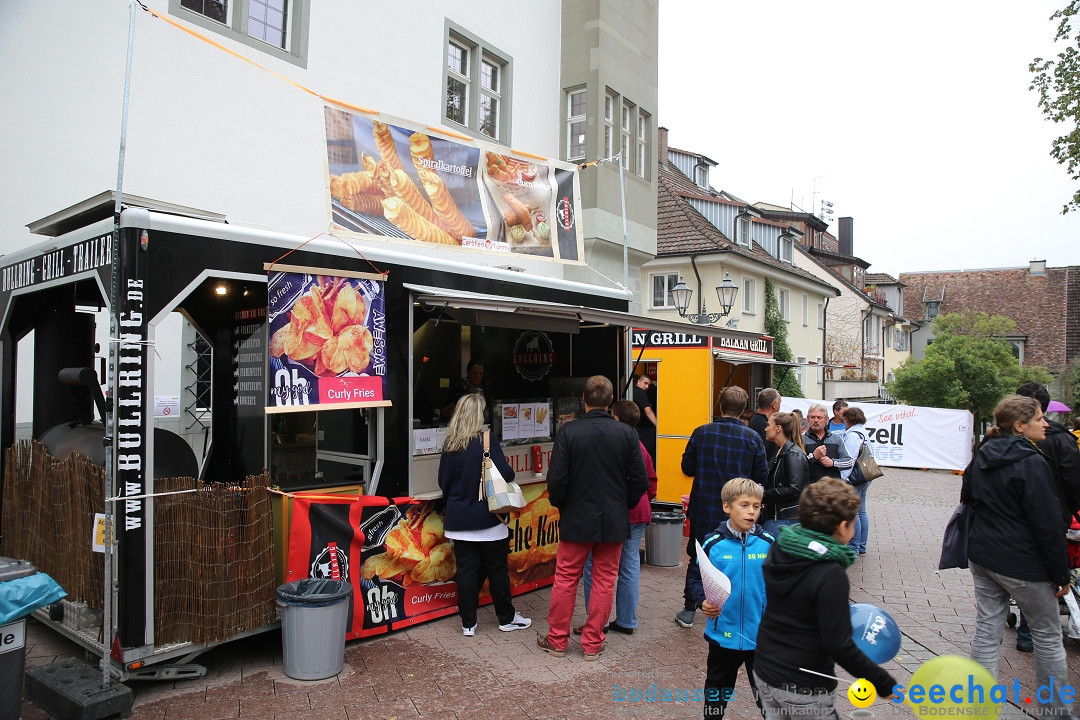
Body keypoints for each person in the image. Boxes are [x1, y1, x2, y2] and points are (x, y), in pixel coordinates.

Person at [965, 395, 1073, 719]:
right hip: (1022, 562)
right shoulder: (1032, 462)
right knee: (1048, 635)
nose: (1046, 423)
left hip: (983, 556)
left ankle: (980, 709)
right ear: (1019, 425)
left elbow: (967, 500)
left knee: (987, 631)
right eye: (1040, 418)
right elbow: (1047, 523)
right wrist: (1062, 574)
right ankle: (1056, 712)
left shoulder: (982, 454)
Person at [753, 479, 897, 719]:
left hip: (766, 669)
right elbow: (839, 644)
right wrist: (883, 682)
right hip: (805, 685)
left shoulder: (783, 545)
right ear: (842, 527)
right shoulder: (830, 573)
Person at [537, 376, 648, 660]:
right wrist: (623, 504)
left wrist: (564, 506)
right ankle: (592, 642)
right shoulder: (627, 434)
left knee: (565, 578)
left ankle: (557, 639)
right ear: (610, 401)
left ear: (583, 400)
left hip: (576, 516)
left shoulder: (568, 432)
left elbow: (557, 480)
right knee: (605, 579)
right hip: (613, 517)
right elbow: (639, 480)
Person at [437, 393, 531, 636]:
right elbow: (507, 474)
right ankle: (506, 618)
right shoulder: (487, 441)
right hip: (489, 519)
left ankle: (468, 623)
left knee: (466, 572)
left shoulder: (450, 444)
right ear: (479, 414)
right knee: (497, 570)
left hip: (459, 520)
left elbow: (443, 482)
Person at [677, 386, 769, 628]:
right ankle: (735, 606)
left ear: (719, 406)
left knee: (698, 557)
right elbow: (762, 475)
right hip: (740, 511)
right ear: (742, 410)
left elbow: (687, 468)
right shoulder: (753, 438)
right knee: (738, 555)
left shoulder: (701, 433)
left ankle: (690, 608)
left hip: (704, 506)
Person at [688, 478, 772, 720]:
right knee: (717, 692)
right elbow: (695, 576)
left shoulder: (769, 544)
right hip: (723, 635)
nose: (751, 511)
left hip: (762, 638)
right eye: (744, 505)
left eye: (756, 506)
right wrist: (702, 600)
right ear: (727, 507)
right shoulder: (713, 544)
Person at [577, 400, 657, 635]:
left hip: (615, 512)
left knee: (594, 565)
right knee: (629, 566)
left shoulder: (614, 444)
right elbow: (651, 482)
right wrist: (642, 500)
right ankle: (626, 620)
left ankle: (596, 621)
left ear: (617, 419)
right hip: (639, 512)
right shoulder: (640, 446)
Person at [1014, 383, 1080, 652]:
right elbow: (1074, 483)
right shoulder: (1062, 438)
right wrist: (1067, 510)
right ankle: (1032, 634)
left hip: (1016, 523)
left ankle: (1027, 633)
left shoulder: (1001, 438)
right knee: (1043, 576)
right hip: (1048, 519)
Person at [762, 412, 810, 538]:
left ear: (778, 428)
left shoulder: (793, 454)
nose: (765, 428)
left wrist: (763, 495)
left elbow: (794, 489)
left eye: (768, 425)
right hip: (778, 517)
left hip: (785, 520)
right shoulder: (780, 451)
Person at [841, 406, 873, 555]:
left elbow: (850, 459)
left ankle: (854, 546)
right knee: (861, 511)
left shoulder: (853, 435)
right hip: (866, 475)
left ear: (849, 419)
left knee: (853, 512)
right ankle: (861, 546)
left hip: (855, 478)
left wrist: (844, 478)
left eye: (845, 419)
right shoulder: (863, 431)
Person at [802, 403, 854, 483]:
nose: (815, 420)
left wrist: (833, 463)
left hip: (833, 490)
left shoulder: (836, 439)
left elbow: (849, 462)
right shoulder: (801, 439)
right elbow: (797, 465)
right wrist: (813, 457)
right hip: (811, 490)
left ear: (827, 419)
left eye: (819, 417)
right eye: (812, 417)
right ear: (808, 419)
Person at [631, 373, 658, 461]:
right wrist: (659, 427)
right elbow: (648, 412)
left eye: (649, 385)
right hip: (638, 428)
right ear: (638, 382)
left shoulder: (632, 391)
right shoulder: (640, 392)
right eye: (645, 383)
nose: (647, 387)